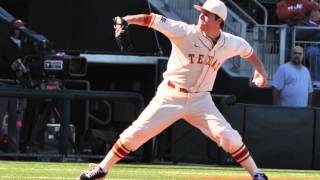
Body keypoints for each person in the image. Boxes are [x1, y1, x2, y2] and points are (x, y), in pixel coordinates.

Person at [78, 1, 269, 180]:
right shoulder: (184, 31)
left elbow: (249, 51)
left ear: (219, 21)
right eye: (201, 13)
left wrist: (261, 71)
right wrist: (126, 20)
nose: (201, 17)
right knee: (135, 134)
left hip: (201, 101)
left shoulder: (230, 42)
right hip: (170, 96)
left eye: (206, 15)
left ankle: (256, 174)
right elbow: (151, 19)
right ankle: (102, 169)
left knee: (230, 137)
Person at [0, 19, 26, 152]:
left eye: (22, 28)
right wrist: (12, 66)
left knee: (16, 122)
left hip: (18, 86)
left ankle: (14, 151)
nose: (20, 31)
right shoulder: (3, 44)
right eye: (18, 28)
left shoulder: (26, 46)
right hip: (3, 84)